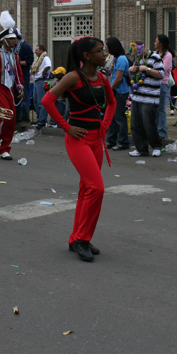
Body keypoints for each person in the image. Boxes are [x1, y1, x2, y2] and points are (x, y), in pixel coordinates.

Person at [41, 37, 115, 262]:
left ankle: (77, 238)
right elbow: (47, 100)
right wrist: (66, 127)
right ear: (86, 56)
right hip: (78, 140)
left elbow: (112, 103)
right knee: (97, 188)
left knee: (87, 190)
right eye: (100, 51)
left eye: (104, 50)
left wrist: (104, 125)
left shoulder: (102, 77)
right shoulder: (73, 77)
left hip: (96, 139)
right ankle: (82, 238)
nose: (104, 54)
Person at [0, 11, 24, 161]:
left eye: (15, 39)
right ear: (3, 41)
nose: (15, 41)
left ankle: (5, 148)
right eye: (11, 39)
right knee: (5, 116)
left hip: (10, 89)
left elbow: (18, 75)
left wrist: (20, 89)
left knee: (12, 119)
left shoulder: (15, 56)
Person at [128, 40, 166, 157]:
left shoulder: (155, 58)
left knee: (148, 124)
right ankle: (141, 149)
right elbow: (133, 78)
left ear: (144, 47)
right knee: (135, 124)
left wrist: (147, 69)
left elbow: (161, 74)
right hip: (137, 96)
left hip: (150, 97)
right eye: (134, 52)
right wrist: (130, 71)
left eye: (138, 50)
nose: (136, 53)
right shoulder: (138, 59)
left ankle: (156, 146)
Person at [105, 37, 130, 150]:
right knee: (112, 117)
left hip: (120, 91)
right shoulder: (115, 58)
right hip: (115, 90)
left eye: (107, 46)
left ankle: (123, 142)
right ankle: (111, 140)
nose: (106, 48)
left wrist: (110, 89)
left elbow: (118, 78)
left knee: (120, 117)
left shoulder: (121, 59)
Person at [154, 34, 175, 139]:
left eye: (156, 41)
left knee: (161, 108)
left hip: (163, 83)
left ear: (161, 43)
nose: (154, 42)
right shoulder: (155, 54)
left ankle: (162, 132)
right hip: (154, 84)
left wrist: (151, 70)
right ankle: (155, 130)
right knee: (154, 108)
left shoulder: (168, 55)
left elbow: (163, 69)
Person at [31, 44, 52, 128]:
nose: (35, 52)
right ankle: (40, 118)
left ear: (42, 50)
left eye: (37, 50)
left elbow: (48, 66)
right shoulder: (38, 59)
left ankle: (42, 120)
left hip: (41, 81)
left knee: (41, 102)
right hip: (36, 81)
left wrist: (43, 73)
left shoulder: (45, 58)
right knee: (35, 101)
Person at [15, 33, 34, 129]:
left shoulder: (25, 47)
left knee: (25, 98)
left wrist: (16, 62)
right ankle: (18, 118)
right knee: (17, 98)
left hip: (24, 76)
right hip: (15, 77)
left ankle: (25, 119)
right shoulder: (13, 47)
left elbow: (29, 61)